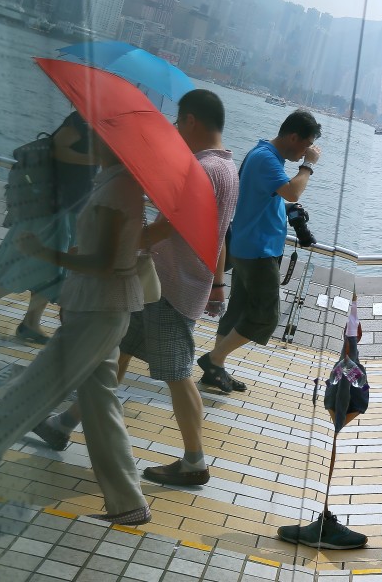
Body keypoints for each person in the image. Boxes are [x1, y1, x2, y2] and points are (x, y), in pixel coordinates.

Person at [0, 132, 152, 526]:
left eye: (98, 136)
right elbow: (116, 251)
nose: (91, 140)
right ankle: (127, 502)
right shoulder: (120, 184)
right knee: (100, 406)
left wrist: (44, 254)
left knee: (33, 387)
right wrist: (75, 255)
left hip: (97, 309)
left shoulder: (115, 189)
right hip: (104, 307)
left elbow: (103, 262)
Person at [34, 91, 240, 488]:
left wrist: (123, 242)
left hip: (171, 286)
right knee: (119, 351)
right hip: (170, 281)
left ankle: (195, 460)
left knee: (177, 372)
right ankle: (64, 423)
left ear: (192, 120)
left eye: (179, 123)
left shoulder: (205, 168)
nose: (177, 131)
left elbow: (173, 225)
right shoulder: (225, 169)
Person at [196, 109, 322, 393]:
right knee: (266, 315)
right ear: (293, 136)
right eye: (305, 145)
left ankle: (215, 373)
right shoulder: (266, 158)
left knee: (237, 310)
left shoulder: (264, 153)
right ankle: (213, 360)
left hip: (248, 245)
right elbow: (292, 192)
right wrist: (309, 166)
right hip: (257, 250)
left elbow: (274, 198)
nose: (305, 152)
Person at [0, 112, 98, 344]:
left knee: (55, 270)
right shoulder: (82, 120)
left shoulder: (106, 128)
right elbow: (59, 149)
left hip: (75, 207)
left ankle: (31, 322)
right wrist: (94, 158)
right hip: (54, 205)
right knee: (41, 265)